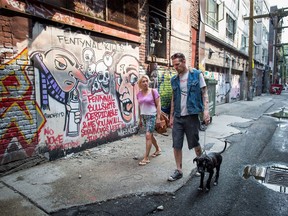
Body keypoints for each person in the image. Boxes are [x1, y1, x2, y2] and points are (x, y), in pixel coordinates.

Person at [168, 53, 210, 181]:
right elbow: (174, 99)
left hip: (191, 115)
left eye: (177, 64)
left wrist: (206, 111)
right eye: (173, 65)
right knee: (176, 144)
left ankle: (201, 164)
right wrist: (171, 116)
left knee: (195, 143)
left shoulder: (196, 75)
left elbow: (204, 92)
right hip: (178, 116)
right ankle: (179, 170)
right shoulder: (174, 79)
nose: (175, 67)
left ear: (184, 61)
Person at [137, 75, 162, 166]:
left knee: (148, 135)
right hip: (144, 117)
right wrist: (140, 119)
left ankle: (146, 158)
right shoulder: (138, 94)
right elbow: (140, 107)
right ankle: (158, 149)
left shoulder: (153, 91)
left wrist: (158, 118)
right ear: (140, 83)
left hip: (152, 116)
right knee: (150, 136)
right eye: (143, 81)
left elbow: (158, 104)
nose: (145, 83)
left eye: (146, 81)